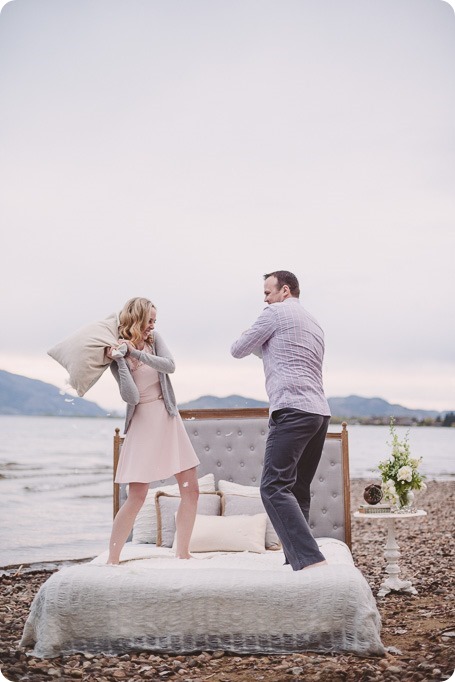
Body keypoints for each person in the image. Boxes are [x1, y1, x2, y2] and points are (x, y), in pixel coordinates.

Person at [230, 271, 331, 571]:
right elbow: (282, 353)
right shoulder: (314, 323)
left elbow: (237, 349)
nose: (265, 298)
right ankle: (296, 557)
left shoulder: (274, 313)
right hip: (319, 412)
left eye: (267, 292)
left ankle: (311, 559)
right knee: (298, 489)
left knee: (273, 487)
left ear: (284, 290)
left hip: (291, 409)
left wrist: (257, 338)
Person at [106, 297, 200, 564]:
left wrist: (135, 353)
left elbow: (169, 366)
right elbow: (131, 397)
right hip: (143, 421)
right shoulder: (116, 351)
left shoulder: (154, 340)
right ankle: (112, 558)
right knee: (137, 494)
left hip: (168, 417)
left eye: (155, 321)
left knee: (190, 488)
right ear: (136, 319)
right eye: (149, 320)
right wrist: (121, 361)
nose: (152, 326)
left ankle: (182, 553)